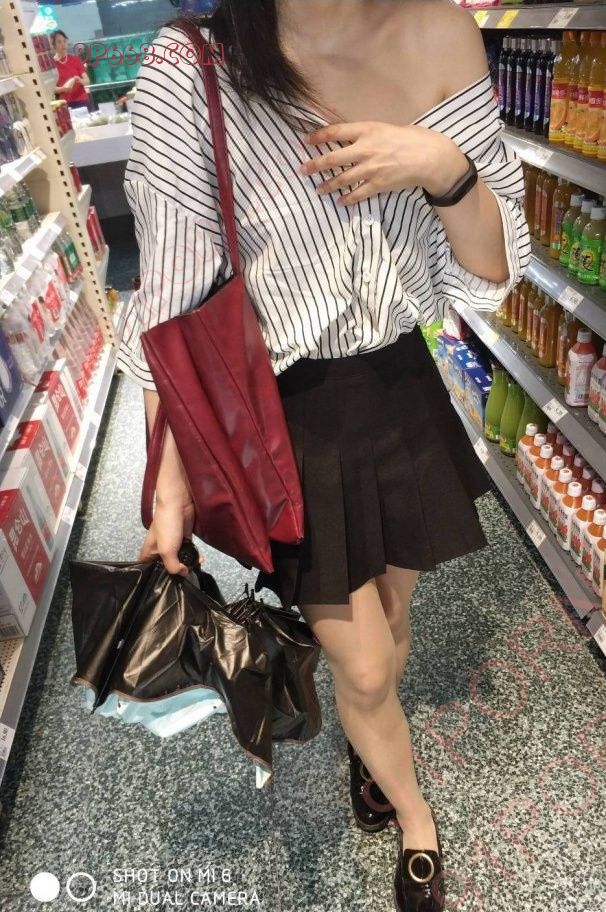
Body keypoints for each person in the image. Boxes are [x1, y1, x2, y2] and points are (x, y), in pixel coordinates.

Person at [117, 1, 531, 909]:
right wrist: (166, 488)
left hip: (400, 387)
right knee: (367, 663)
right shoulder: (195, 66)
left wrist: (443, 167)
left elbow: (494, 267)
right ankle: (415, 818)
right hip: (283, 414)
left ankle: (368, 742)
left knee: (394, 613)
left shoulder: (437, 32)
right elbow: (168, 309)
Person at [51, 29, 91, 109]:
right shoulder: (52, 65)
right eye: (59, 42)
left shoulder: (76, 59)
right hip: (63, 103)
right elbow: (51, 89)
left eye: (64, 41)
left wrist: (79, 80)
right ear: (53, 45)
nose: (63, 44)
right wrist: (64, 89)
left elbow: (87, 81)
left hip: (81, 100)